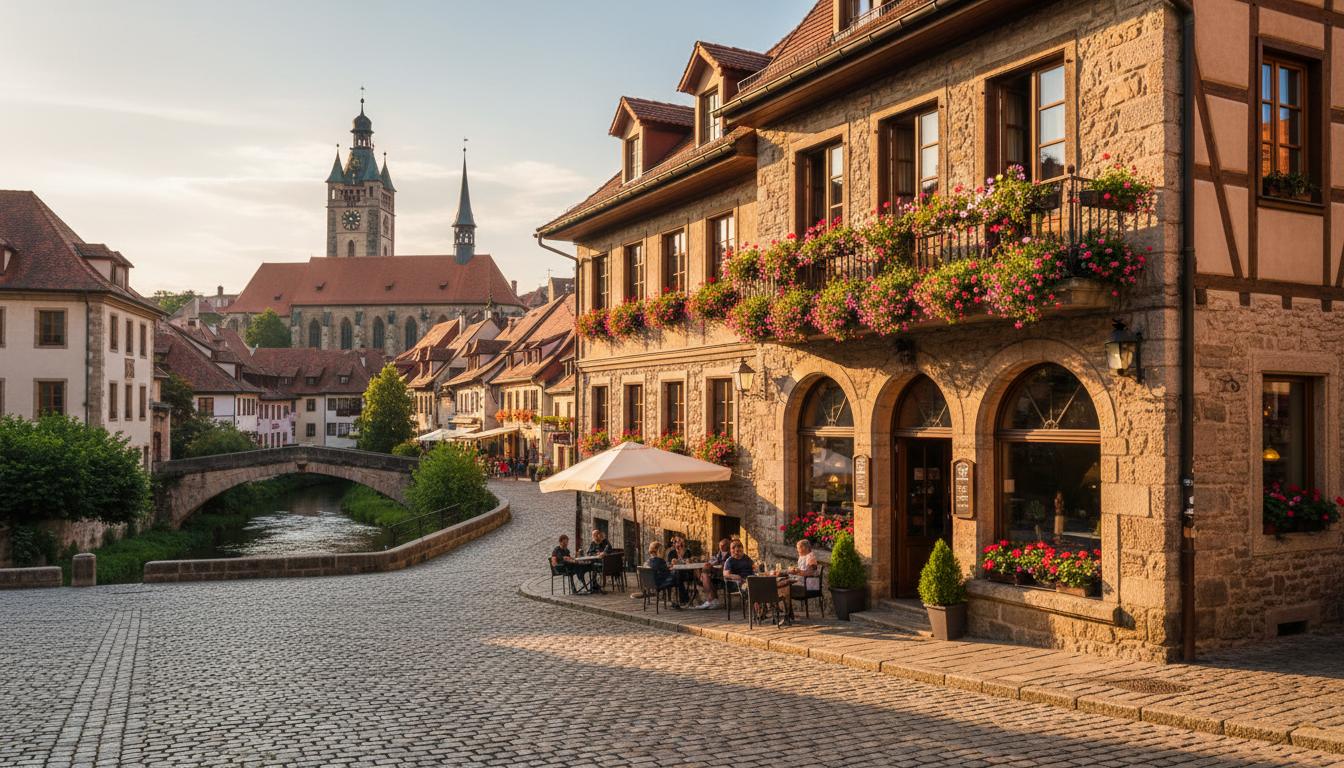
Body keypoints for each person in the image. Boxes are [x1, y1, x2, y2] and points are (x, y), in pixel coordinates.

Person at [646, 542, 687, 608]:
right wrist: (672, 567)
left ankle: (677, 600)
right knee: (678, 578)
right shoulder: (660, 560)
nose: (664, 552)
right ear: (659, 550)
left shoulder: (649, 561)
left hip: (652, 583)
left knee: (677, 578)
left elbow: (662, 569)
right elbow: (666, 572)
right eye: (662, 550)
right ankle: (681, 600)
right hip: (660, 583)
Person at [693, 538, 732, 609]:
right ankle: (714, 600)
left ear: (728, 545)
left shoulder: (730, 554)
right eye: (720, 545)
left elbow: (725, 564)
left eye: (723, 545)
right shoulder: (718, 554)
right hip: (715, 574)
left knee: (705, 574)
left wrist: (712, 565)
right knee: (701, 572)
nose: (721, 547)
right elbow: (713, 560)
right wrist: (711, 563)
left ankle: (710, 600)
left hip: (724, 575)